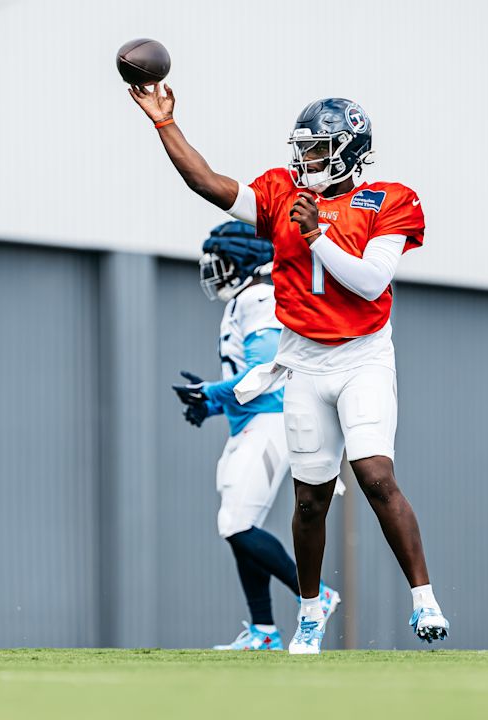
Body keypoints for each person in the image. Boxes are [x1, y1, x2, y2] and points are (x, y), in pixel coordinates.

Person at [129, 84, 447, 654]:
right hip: (302, 359)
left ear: (351, 151)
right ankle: (307, 613)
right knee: (309, 499)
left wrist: (316, 235)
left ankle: (424, 598)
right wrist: (164, 125)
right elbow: (209, 184)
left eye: (320, 150)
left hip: (363, 355)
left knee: (375, 474)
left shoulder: (389, 201)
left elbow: (372, 282)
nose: (308, 161)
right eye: (304, 149)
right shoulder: (282, 192)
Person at [171, 221, 340, 651]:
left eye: (221, 262)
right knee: (239, 524)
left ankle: (316, 594)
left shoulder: (261, 297)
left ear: (243, 259)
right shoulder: (246, 300)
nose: (215, 271)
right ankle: (264, 631)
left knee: (236, 523)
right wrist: (209, 406)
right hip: (249, 425)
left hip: (272, 422)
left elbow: (262, 374)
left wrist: (210, 391)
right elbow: (244, 382)